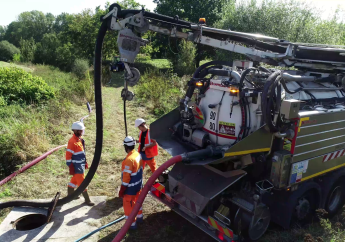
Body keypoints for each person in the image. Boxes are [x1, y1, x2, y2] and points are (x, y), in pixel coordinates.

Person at [66, 121, 94, 206]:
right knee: (83, 183)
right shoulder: (72, 142)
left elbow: (81, 153)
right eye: (81, 130)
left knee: (74, 180)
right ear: (76, 131)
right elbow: (68, 155)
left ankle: (70, 195)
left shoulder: (79, 140)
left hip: (81, 164)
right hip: (77, 166)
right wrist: (70, 166)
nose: (82, 132)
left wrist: (84, 162)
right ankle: (87, 200)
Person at [118, 136, 144, 230]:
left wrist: (122, 189)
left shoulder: (129, 160)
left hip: (130, 188)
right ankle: (140, 218)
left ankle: (131, 225)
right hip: (138, 185)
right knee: (138, 202)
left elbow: (126, 177)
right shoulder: (137, 154)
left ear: (126, 146)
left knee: (128, 205)